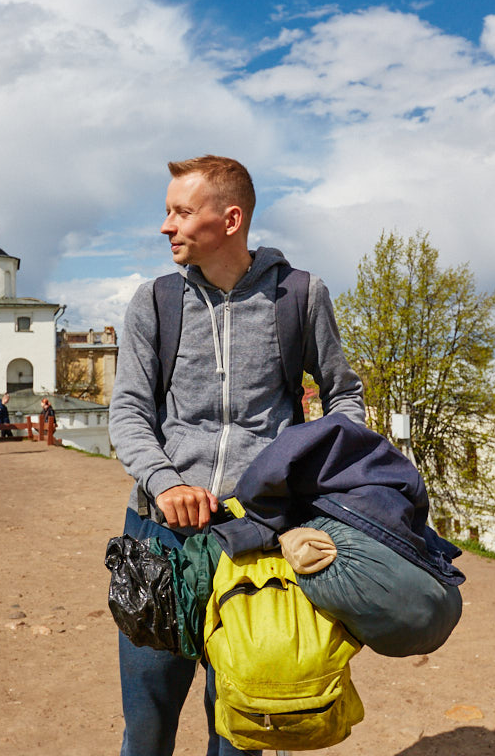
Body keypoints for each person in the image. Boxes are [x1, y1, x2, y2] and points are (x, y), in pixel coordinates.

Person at [108, 155, 366, 756]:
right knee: (146, 727)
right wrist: (166, 482)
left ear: (230, 219)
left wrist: (310, 471)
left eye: (180, 211)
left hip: (257, 541)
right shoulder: (154, 303)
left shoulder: (299, 295)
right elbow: (129, 412)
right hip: (160, 538)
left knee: (243, 722)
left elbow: (343, 395)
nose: (166, 226)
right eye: (167, 211)